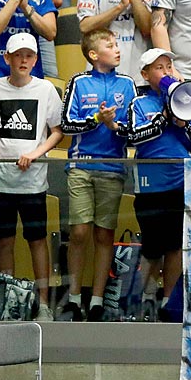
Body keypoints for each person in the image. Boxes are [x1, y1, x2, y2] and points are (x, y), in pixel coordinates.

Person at [0, 31, 63, 315]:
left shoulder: (46, 89)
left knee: (37, 240)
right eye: (18, 56)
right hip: (1, 179)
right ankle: (8, 301)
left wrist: (36, 153)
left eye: (29, 56)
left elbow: (56, 132)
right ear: (8, 58)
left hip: (33, 181)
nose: (24, 61)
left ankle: (42, 303)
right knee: (4, 242)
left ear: (36, 59)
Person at [58, 28, 136, 321]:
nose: (117, 49)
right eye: (110, 45)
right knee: (79, 232)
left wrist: (114, 125)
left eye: (118, 45)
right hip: (81, 165)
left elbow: (132, 127)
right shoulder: (78, 82)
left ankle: (97, 301)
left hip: (113, 168)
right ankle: (74, 297)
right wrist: (96, 120)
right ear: (93, 54)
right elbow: (66, 124)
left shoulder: (128, 84)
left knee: (105, 235)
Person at [127, 47, 191, 320]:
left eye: (168, 67)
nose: (166, 72)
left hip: (181, 182)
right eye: (159, 68)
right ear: (145, 74)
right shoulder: (138, 104)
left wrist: (181, 121)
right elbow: (134, 137)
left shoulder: (186, 99)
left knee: (175, 246)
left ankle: (169, 304)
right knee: (152, 246)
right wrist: (164, 118)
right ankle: (136, 300)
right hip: (151, 185)